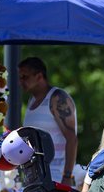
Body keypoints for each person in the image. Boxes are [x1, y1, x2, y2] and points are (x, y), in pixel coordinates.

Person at [19, 56, 78, 184]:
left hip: (56, 178)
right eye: (20, 77)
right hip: (36, 178)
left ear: (39, 76)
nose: (21, 81)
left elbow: (72, 138)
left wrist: (67, 176)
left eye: (25, 77)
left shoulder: (57, 98)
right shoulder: (32, 100)